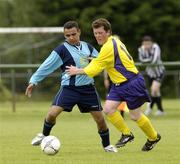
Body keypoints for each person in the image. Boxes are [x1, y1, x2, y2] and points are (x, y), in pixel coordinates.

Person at [66, 18, 161, 151]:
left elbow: (95, 69)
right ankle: (127, 134)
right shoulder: (114, 40)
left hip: (131, 82)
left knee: (135, 115)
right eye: (96, 33)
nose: (98, 36)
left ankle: (153, 137)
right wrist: (96, 59)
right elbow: (106, 60)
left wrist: (77, 71)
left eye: (101, 33)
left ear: (108, 32)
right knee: (108, 109)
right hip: (119, 84)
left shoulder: (107, 47)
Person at [25, 20, 117, 153]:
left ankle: (107, 146)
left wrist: (96, 62)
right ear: (64, 36)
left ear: (79, 32)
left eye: (73, 34)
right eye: (67, 35)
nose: (71, 38)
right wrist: (33, 81)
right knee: (52, 114)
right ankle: (44, 135)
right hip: (69, 88)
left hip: (88, 89)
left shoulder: (88, 47)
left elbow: (103, 61)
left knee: (100, 120)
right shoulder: (61, 49)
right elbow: (46, 66)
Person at [138, 36, 165, 116]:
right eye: (145, 44)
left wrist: (146, 60)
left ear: (151, 43)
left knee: (154, 90)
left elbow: (154, 60)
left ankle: (149, 108)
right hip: (150, 73)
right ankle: (161, 110)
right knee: (156, 92)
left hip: (159, 72)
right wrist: (148, 59)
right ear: (143, 44)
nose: (147, 46)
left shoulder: (156, 47)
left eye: (148, 44)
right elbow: (141, 60)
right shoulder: (141, 49)